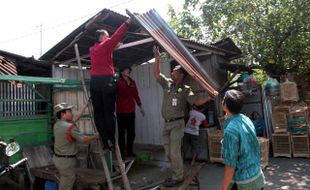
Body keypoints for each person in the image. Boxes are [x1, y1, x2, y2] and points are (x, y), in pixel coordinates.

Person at [153, 47, 211, 187]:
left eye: (174, 71)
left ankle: (178, 177)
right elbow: (156, 74)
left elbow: (196, 101)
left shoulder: (186, 90)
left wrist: (209, 97)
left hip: (177, 124)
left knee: (174, 151)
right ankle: (177, 172)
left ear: (180, 75)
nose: (172, 73)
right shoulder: (167, 83)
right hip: (166, 124)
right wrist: (157, 58)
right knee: (168, 152)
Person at [89, 18, 132, 150]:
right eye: (107, 36)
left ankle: (105, 141)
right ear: (102, 37)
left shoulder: (92, 49)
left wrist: (113, 45)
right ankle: (112, 140)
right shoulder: (106, 45)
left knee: (98, 113)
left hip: (94, 82)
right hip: (106, 81)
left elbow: (110, 45)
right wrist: (127, 23)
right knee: (109, 113)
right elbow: (117, 35)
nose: (109, 38)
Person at [220, 90, 265, 190]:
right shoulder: (246, 119)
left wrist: (223, 188)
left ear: (225, 105)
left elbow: (230, 166)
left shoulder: (230, 131)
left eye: (223, 100)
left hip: (243, 183)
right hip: (256, 175)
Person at [53, 101, 99, 190]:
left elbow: (76, 116)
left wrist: (85, 105)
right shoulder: (69, 127)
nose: (72, 113)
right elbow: (84, 140)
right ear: (63, 114)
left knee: (64, 183)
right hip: (66, 162)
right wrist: (96, 136)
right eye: (69, 111)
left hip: (58, 159)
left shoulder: (58, 124)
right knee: (66, 186)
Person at [116, 67, 144, 158]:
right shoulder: (118, 82)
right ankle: (122, 154)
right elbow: (113, 95)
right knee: (122, 133)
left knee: (131, 133)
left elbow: (136, 95)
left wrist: (140, 107)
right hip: (121, 111)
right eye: (126, 70)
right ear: (122, 72)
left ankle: (129, 152)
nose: (128, 71)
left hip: (131, 111)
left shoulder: (132, 82)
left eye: (128, 70)